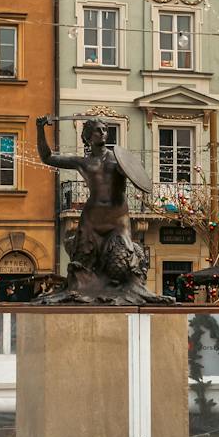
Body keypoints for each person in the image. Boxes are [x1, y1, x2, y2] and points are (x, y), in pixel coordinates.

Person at [35, 116, 168, 304]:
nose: (103, 133)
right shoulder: (82, 162)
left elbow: (136, 176)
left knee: (121, 267)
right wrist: (40, 130)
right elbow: (47, 157)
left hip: (117, 219)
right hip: (91, 219)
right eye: (98, 130)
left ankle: (126, 294)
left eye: (105, 130)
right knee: (81, 269)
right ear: (88, 137)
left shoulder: (118, 160)